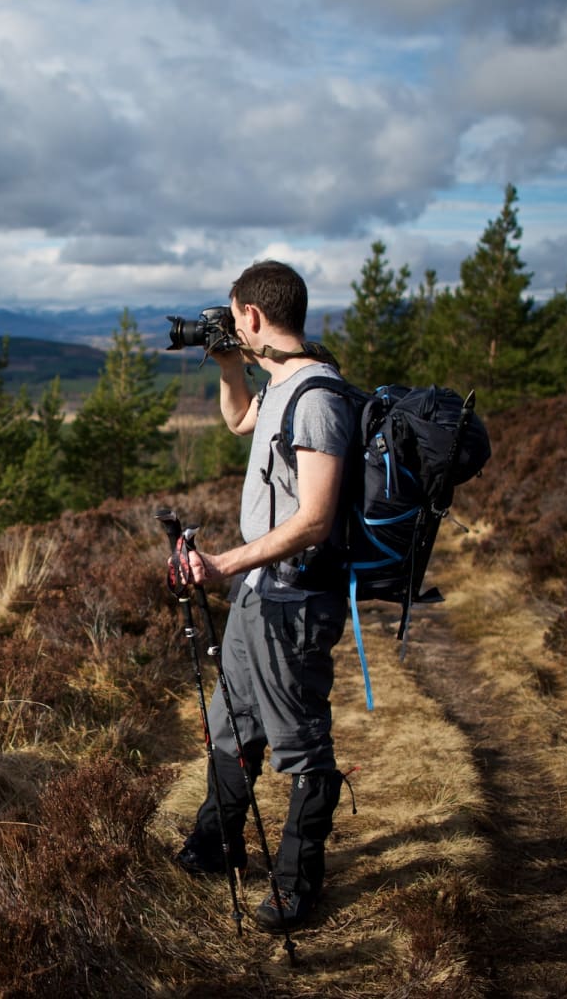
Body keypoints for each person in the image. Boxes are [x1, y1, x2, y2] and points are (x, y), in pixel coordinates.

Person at [173, 259, 353, 934]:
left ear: (252, 315)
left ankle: (298, 884)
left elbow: (314, 519)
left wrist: (224, 561)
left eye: (232, 316)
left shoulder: (317, 398)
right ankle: (217, 844)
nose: (231, 326)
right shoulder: (278, 386)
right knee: (233, 721)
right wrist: (227, 367)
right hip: (257, 594)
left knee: (300, 742)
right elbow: (240, 420)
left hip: (295, 601)